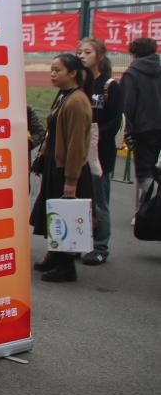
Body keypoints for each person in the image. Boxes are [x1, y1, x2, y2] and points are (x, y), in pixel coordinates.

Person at [31, 54, 94, 284]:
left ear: (73, 73)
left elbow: (76, 145)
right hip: (55, 164)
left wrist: (71, 180)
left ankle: (66, 266)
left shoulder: (77, 102)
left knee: (65, 214)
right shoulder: (63, 96)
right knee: (53, 211)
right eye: (51, 69)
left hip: (67, 168)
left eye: (58, 70)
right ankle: (55, 255)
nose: (53, 74)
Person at [77, 38, 122, 266]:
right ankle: (80, 242)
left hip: (100, 154)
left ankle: (100, 247)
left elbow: (115, 121)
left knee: (99, 201)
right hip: (79, 152)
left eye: (88, 52)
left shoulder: (110, 86)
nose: (82, 56)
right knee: (80, 198)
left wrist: (94, 136)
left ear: (100, 56)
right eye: (79, 52)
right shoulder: (80, 85)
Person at [120, 36, 161, 208]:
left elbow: (127, 105)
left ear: (134, 54)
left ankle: (149, 209)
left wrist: (127, 130)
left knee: (144, 172)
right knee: (156, 170)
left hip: (143, 129)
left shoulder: (131, 74)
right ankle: (150, 208)